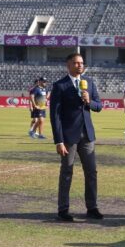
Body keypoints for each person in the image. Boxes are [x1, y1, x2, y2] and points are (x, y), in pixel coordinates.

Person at [49, 53, 103, 221]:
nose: (80, 65)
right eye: (76, 63)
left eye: (82, 63)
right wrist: (59, 141)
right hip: (68, 137)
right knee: (67, 172)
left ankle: (92, 208)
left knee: (91, 172)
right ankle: (63, 210)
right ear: (68, 65)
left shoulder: (90, 83)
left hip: (87, 135)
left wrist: (89, 101)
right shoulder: (60, 86)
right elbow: (55, 116)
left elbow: (99, 106)